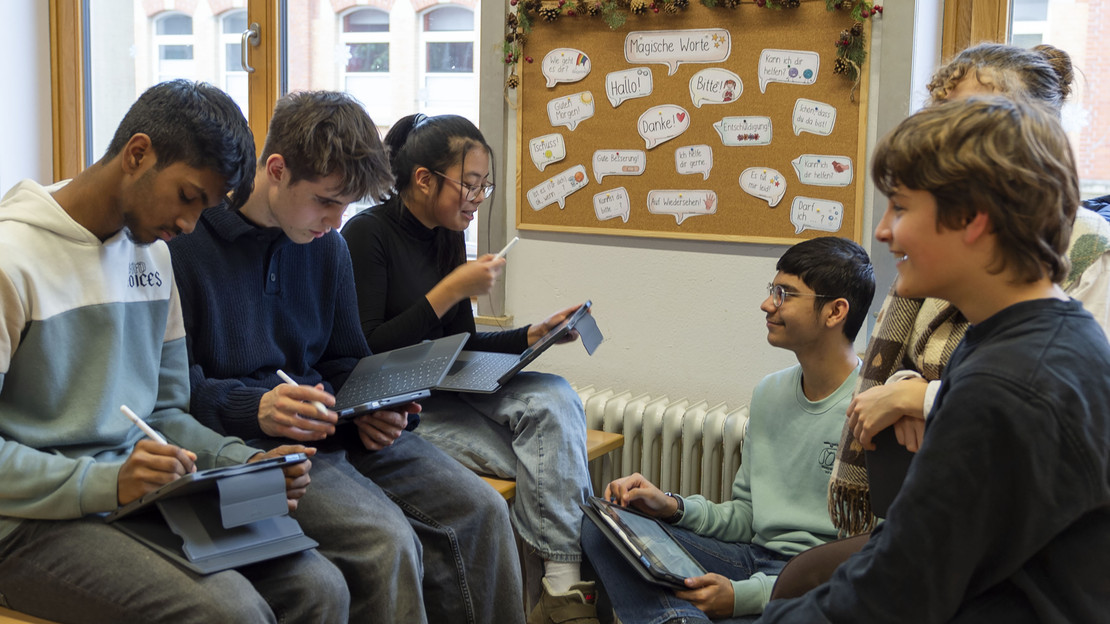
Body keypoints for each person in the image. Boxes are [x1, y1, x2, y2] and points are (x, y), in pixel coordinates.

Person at [168, 91, 525, 624]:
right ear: (277, 169)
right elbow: (172, 394)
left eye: (347, 206)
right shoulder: (186, 243)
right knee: (386, 543)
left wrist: (373, 409)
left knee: (486, 511)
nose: (336, 222)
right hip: (252, 446)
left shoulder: (326, 246)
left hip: (337, 429)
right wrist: (257, 408)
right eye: (326, 201)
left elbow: (344, 363)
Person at [0, 80, 347, 623]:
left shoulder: (154, 256)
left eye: (205, 207)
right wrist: (105, 482)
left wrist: (245, 463)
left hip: (136, 498)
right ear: (137, 154)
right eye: (188, 197)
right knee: (230, 614)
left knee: (319, 586)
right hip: (26, 521)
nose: (189, 225)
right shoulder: (11, 258)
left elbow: (163, 414)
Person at [762, 95, 1110, 622]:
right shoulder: (1032, 338)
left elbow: (896, 593)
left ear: (972, 218)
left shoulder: (1007, 385)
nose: (883, 231)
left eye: (900, 207)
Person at [826, 42, 1110, 537]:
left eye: (970, 121)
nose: (943, 140)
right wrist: (901, 390)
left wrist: (926, 400)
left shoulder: (1087, 253)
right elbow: (911, 365)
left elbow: (1055, 403)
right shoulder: (942, 253)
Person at [340, 113, 596, 621]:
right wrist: (451, 289)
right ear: (423, 179)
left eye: (485, 186)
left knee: (557, 393)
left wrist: (531, 335)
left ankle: (561, 590)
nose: (478, 199)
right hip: (402, 406)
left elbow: (459, 343)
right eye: (469, 185)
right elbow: (366, 351)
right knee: (549, 461)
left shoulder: (447, 235)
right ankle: (563, 592)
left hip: (451, 386)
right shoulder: (365, 235)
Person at [581, 236, 875, 623]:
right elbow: (745, 515)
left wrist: (744, 596)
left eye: (786, 294)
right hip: (750, 557)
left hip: (813, 583)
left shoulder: (873, 410)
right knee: (604, 528)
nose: (767, 304)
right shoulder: (769, 392)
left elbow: (874, 561)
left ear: (835, 312)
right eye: (772, 290)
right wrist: (672, 506)